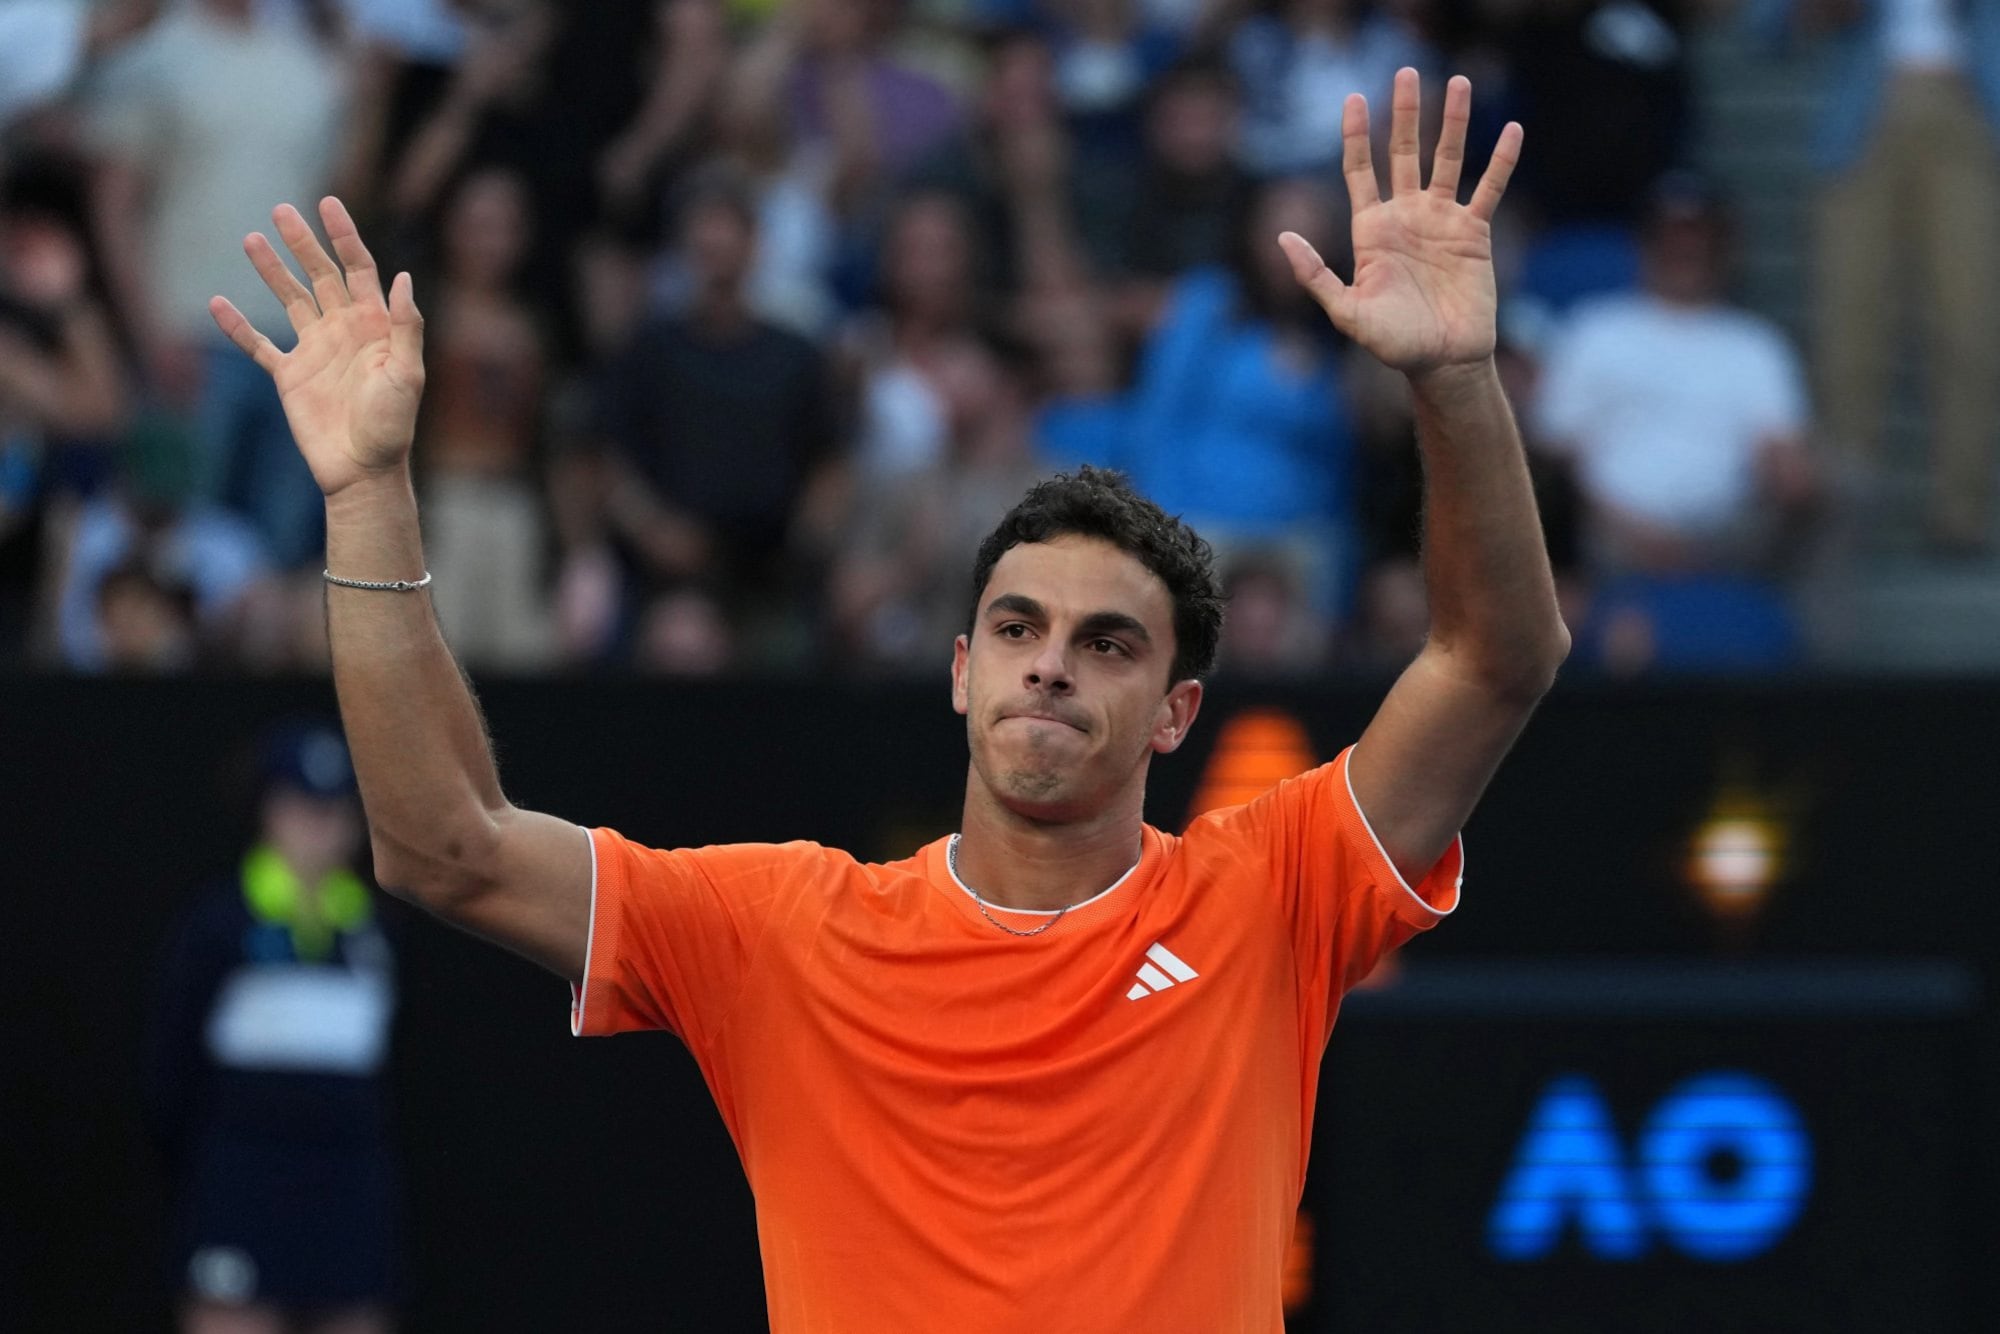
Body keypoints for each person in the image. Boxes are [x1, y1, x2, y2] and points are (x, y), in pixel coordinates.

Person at [209, 68, 1566, 1332]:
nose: (1051, 662)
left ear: (1176, 711)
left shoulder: (1270, 895)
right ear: (962, 667)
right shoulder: (787, 932)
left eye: (1107, 644)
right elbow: (442, 842)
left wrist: (1452, 377)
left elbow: (1496, 657)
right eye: (1020, 627)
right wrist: (367, 490)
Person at [145, 724, 398, 1334]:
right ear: (270, 812)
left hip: (345, 1185)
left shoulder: (374, 931)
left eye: (336, 811)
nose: (320, 827)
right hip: (243, 1181)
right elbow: (168, 1066)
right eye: (302, 809)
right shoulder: (220, 922)